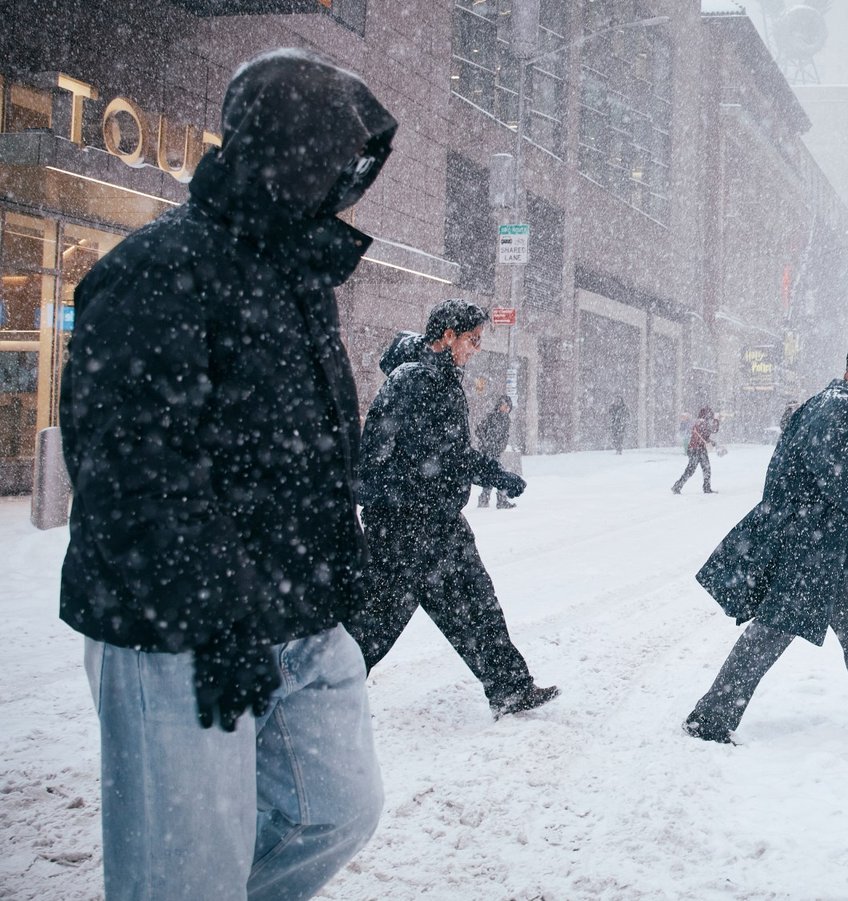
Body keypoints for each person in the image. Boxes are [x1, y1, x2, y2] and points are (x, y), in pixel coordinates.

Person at [57, 49, 389, 900]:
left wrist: (343, 573)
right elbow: (134, 472)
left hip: (296, 615)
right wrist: (213, 613)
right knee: (183, 875)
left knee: (336, 811)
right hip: (176, 627)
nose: (337, 178)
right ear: (278, 150)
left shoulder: (297, 277)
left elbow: (310, 452)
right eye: (324, 154)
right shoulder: (155, 269)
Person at [685, 334, 848, 744]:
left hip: (825, 547)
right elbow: (836, 479)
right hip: (811, 549)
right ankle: (709, 719)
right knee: (770, 632)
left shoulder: (831, 403)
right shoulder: (839, 409)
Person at [346, 299, 559, 719]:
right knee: (376, 622)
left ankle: (511, 687)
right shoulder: (421, 381)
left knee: (474, 602)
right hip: (407, 524)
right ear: (447, 337)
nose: (475, 349)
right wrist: (496, 475)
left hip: (431, 519)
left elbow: (442, 454)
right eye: (472, 340)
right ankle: (318, 692)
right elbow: (445, 456)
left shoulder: (432, 377)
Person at [476, 395, 517, 509]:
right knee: (499, 475)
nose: (506, 408)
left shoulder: (506, 420)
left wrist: (501, 445)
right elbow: (479, 430)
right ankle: (500, 500)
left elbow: (504, 436)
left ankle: (485, 499)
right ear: (499, 406)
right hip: (488, 451)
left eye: (508, 406)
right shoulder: (491, 417)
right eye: (505, 406)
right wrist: (486, 443)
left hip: (496, 451)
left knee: (492, 475)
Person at [671, 406, 720, 494]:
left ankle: (705, 488)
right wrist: (716, 420)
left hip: (697, 449)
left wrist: (711, 442)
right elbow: (712, 431)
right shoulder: (701, 423)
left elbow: (705, 435)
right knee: (696, 469)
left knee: (702, 469)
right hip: (696, 449)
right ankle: (677, 486)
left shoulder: (701, 422)